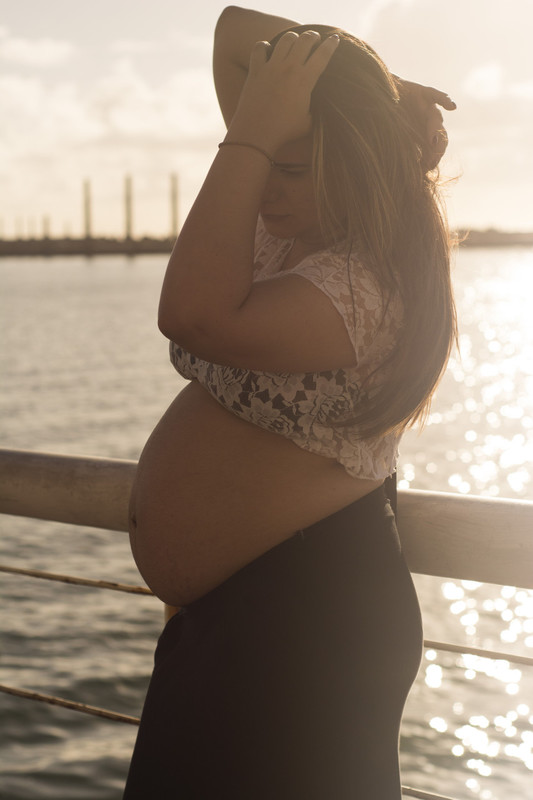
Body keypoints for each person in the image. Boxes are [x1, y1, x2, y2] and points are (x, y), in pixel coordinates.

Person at [124, 6, 457, 799]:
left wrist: (245, 137)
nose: (268, 185)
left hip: (309, 633)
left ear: (359, 160)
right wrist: (373, 83)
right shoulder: (286, 231)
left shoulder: (364, 286)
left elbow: (192, 315)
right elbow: (234, 28)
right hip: (239, 622)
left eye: (294, 167)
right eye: (264, 161)